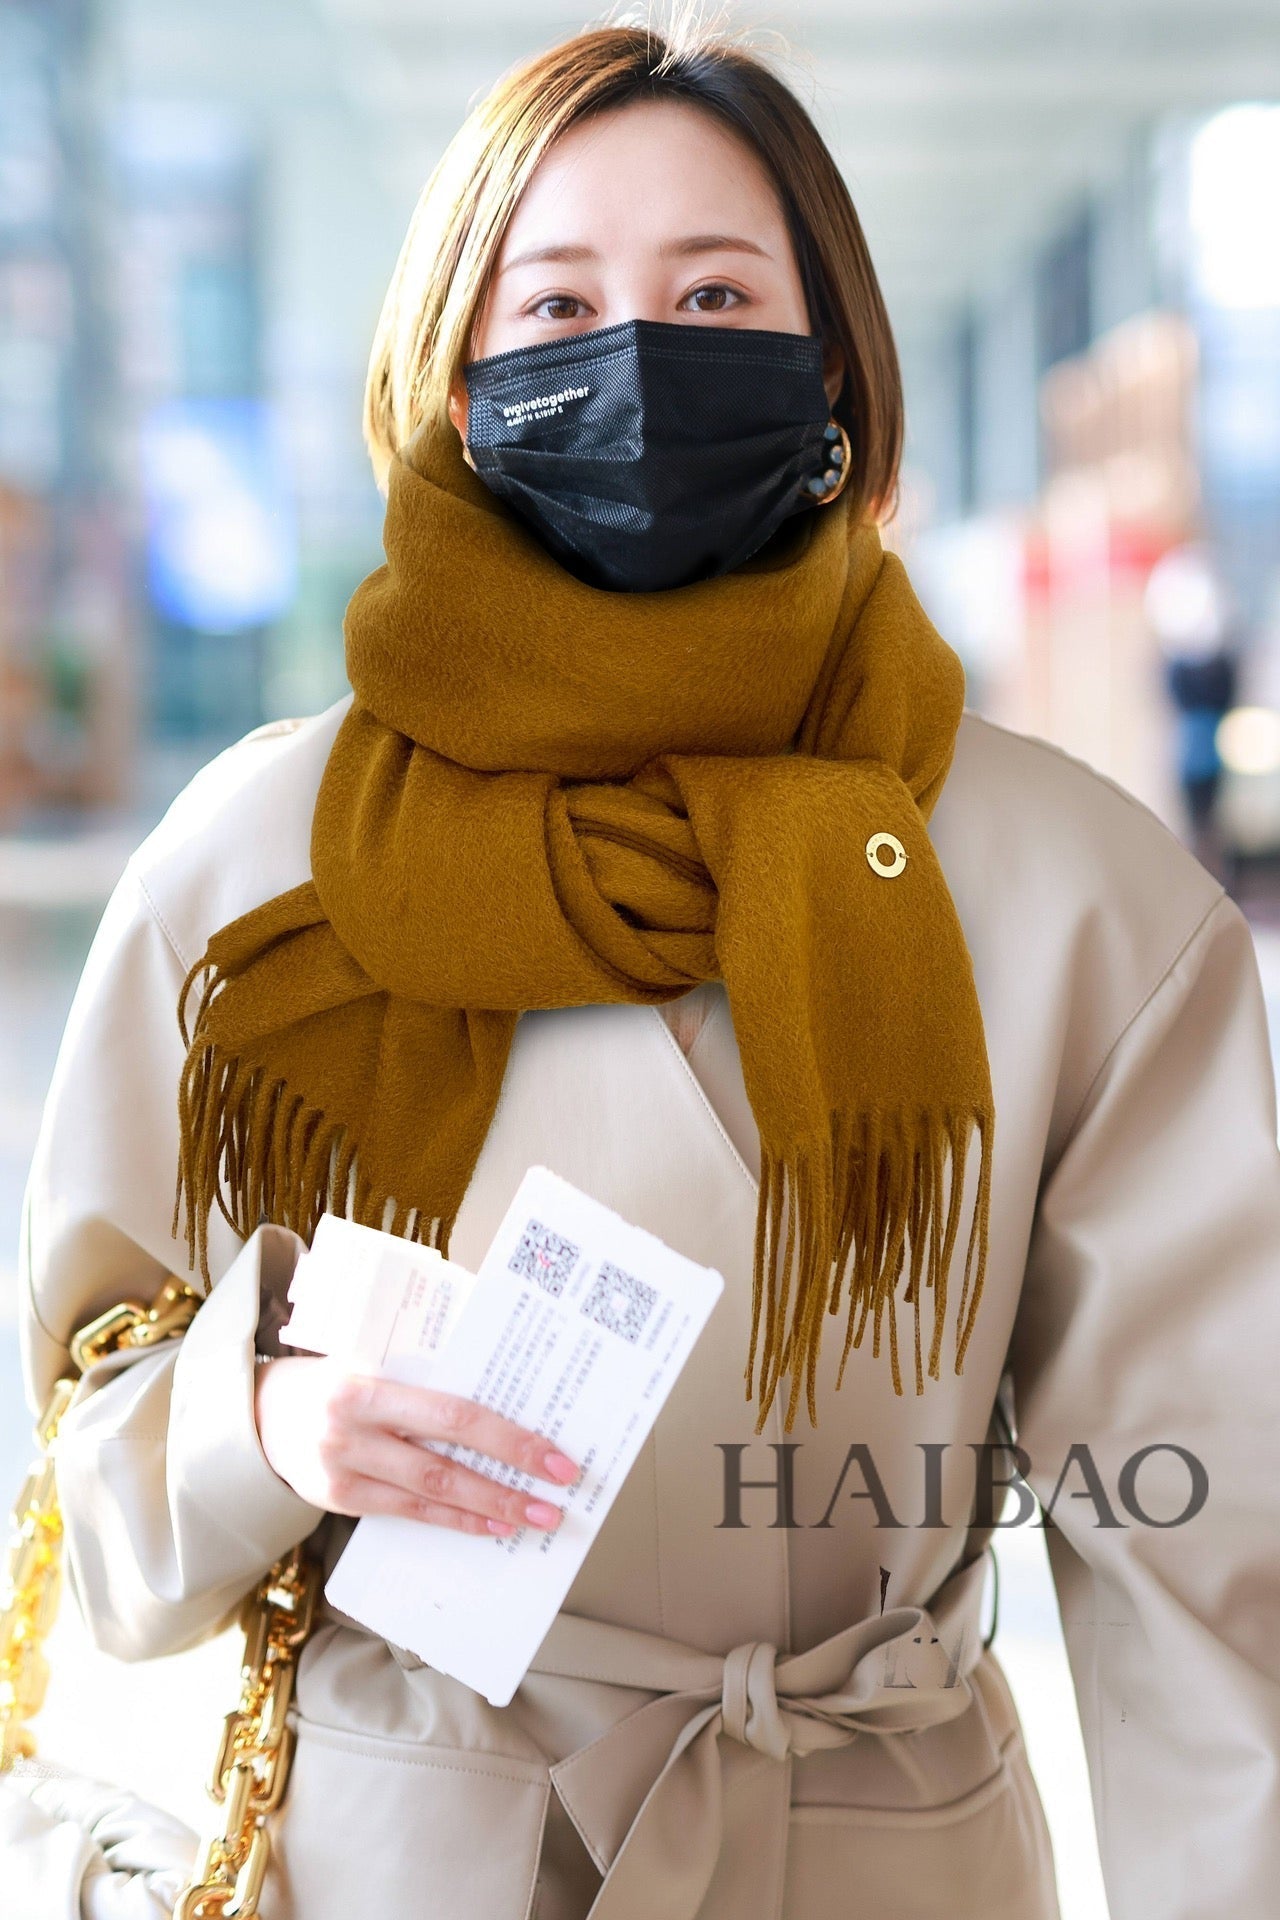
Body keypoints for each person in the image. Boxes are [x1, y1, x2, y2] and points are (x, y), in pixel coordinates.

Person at [17, 18, 1280, 1920]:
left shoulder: (1075, 895)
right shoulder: (260, 861)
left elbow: (1206, 1560)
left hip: (881, 1850)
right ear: (455, 385)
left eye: (714, 297)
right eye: (556, 307)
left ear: (832, 365)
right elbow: (92, 1460)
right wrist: (260, 1418)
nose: (636, 363)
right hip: (411, 1851)